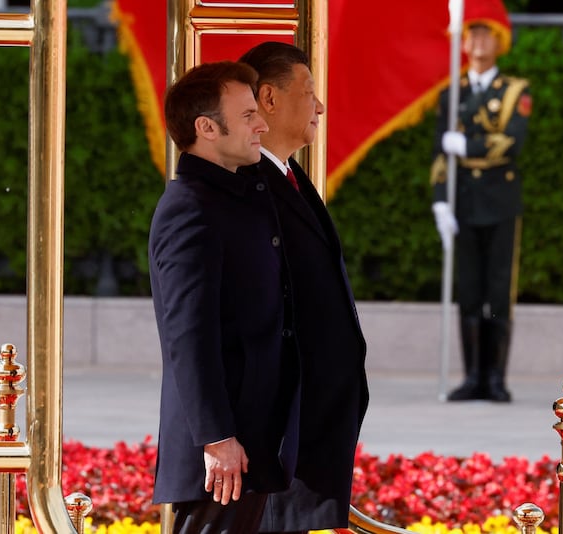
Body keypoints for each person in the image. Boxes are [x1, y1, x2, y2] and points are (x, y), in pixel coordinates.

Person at [149, 60, 302, 534]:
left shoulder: (234, 196)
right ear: (206, 128)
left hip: (254, 439)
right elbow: (188, 336)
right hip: (226, 454)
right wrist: (217, 438)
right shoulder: (190, 208)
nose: (261, 124)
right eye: (247, 115)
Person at [237, 42, 370, 533]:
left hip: (310, 424)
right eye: (309, 92)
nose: (319, 106)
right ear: (268, 99)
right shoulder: (249, 184)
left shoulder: (290, 177)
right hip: (278, 427)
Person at [430, 0, 532, 403]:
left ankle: (495, 378)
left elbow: (510, 142)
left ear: (500, 40)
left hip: (499, 201)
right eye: (471, 33)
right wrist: (440, 200)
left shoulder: (514, 92)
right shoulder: (449, 94)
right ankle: (472, 376)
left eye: (485, 33)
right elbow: (440, 154)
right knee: (469, 291)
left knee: (497, 291)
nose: (477, 41)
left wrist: (466, 145)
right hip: (463, 203)